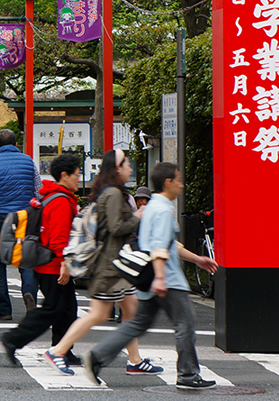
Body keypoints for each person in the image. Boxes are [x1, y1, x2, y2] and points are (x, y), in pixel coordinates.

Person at [83, 162, 218, 389]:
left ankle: (97, 356)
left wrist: (197, 259)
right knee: (185, 324)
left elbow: (166, 243)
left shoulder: (152, 207)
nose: (181, 185)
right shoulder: (164, 209)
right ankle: (187, 375)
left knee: (137, 324)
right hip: (167, 279)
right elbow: (160, 247)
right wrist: (161, 277)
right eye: (178, 180)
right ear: (168, 183)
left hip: (146, 278)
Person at [44, 149, 161, 376]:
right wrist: (138, 217)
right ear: (116, 168)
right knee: (97, 314)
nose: (129, 167)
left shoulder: (110, 192)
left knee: (131, 310)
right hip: (110, 267)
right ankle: (57, 351)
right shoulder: (113, 195)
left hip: (117, 266)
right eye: (126, 163)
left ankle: (135, 360)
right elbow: (116, 228)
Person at [0, 155, 81, 367]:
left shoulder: (52, 196)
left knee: (67, 309)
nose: (79, 178)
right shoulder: (61, 201)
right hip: (54, 265)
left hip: (47, 263)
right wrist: (64, 263)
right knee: (53, 309)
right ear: (65, 175)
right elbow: (59, 237)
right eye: (77, 174)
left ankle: (62, 350)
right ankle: (13, 339)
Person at [0, 129, 42, 321]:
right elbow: (39, 191)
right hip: (24, 217)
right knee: (27, 261)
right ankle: (29, 293)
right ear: (15, 144)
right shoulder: (28, 161)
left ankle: (3, 309)